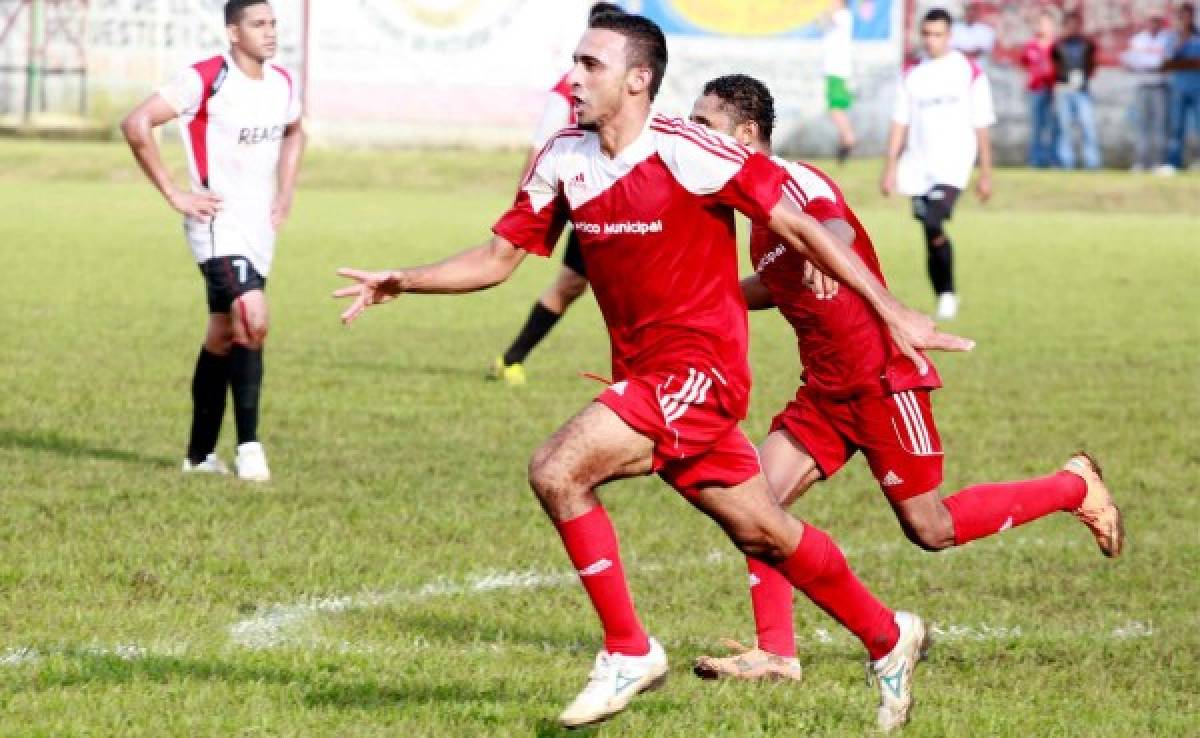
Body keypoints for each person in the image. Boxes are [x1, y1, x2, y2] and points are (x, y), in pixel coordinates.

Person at [334, 11, 975, 731]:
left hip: (698, 372)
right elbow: (498, 259)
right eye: (573, 62)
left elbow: (799, 223)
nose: (573, 77)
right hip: (644, 376)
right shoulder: (562, 157)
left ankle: (628, 651)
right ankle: (890, 637)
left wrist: (888, 309)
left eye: (590, 65)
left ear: (639, 79)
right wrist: (405, 280)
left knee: (556, 469)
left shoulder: (689, 149)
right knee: (765, 532)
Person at [679, 74, 1123, 684]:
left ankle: (1074, 487)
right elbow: (774, 282)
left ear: (746, 132)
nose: (694, 133)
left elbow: (833, 227)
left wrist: (820, 252)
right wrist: (711, 296)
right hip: (825, 390)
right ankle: (776, 651)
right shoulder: (753, 213)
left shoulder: (794, 179)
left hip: (882, 377)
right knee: (755, 505)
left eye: (705, 123)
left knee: (931, 529)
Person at [121, 0, 304, 482]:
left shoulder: (283, 82)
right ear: (232, 32)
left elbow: (295, 131)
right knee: (253, 315)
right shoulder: (206, 77)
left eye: (272, 24)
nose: (269, 32)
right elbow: (136, 123)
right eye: (257, 24)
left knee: (224, 334)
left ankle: (200, 455)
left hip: (258, 230)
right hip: (216, 227)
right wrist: (173, 192)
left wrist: (285, 191)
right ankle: (250, 450)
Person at [489, 1, 625, 386]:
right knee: (570, 284)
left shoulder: (631, 87)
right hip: (581, 198)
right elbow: (539, 147)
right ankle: (513, 358)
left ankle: (643, 377)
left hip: (617, 198)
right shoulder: (568, 89)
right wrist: (524, 203)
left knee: (591, 285)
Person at [882, 8, 994, 322]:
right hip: (917, 166)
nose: (931, 40)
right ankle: (944, 292)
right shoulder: (911, 72)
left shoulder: (968, 71)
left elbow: (982, 124)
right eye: (926, 34)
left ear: (949, 36)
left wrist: (985, 173)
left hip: (953, 165)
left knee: (933, 221)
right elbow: (899, 121)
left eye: (938, 34)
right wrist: (890, 167)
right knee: (930, 232)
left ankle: (946, 295)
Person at [1121, 14, 1172, 172]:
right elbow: (1130, 60)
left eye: (1157, 21)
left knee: (1160, 126)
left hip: (1160, 86)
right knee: (1142, 125)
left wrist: (1152, 63)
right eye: (1151, 21)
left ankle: (1160, 163)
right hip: (1142, 84)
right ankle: (1141, 162)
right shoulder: (1138, 40)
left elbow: (1167, 60)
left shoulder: (1167, 39)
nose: (1154, 24)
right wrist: (1147, 63)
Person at [1052, 11, 1101, 169]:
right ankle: (1066, 163)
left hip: (1082, 89)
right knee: (1065, 128)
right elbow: (1053, 61)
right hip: (1064, 88)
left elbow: (1093, 60)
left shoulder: (1085, 44)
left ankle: (1092, 163)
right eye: (1069, 24)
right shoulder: (1059, 45)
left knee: (1088, 126)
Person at [1161, 2, 1200, 175]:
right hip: (1178, 87)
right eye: (1182, 16)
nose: (1185, 19)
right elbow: (1168, 60)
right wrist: (1182, 39)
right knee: (1177, 127)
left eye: (1188, 15)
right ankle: (1173, 162)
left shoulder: (1198, 36)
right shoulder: (1173, 36)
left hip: (1198, 87)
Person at [1020, 10, 1059, 168]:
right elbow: (1023, 64)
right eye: (1040, 23)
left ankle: (1054, 159)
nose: (1042, 27)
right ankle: (1036, 160)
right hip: (1036, 89)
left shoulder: (1057, 46)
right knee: (1037, 126)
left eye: (1046, 23)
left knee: (1054, 126)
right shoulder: (1031, 46)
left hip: (1054, 89)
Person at [820, 0, 857, 164]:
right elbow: (821, 21)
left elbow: (829, 17)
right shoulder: (838, 16)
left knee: (835, 108)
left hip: (837, 70)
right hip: (835, 70)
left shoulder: (843, 15)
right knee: (839, 107)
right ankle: (844, 142)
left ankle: (849, 137)